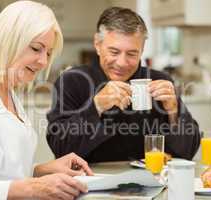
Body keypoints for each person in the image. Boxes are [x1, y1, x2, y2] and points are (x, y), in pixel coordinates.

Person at [0, 1, 94, 200]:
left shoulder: (7, 92)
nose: (43, 62)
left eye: (48, 53)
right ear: (9, 40)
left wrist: (42, 170)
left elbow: (3, 173)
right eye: (36, 48)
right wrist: (35, 187)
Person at [46, 7, 201, 163]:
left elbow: (187, 153)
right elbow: (60, 149)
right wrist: (96, 107)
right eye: (114, 52)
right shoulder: (72, 81)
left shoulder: (159, 81)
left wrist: (173, 113)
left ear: (142, 51)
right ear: (97, 44)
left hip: (151, 182)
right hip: (87, 183)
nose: (122, 63)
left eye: (132, 54)